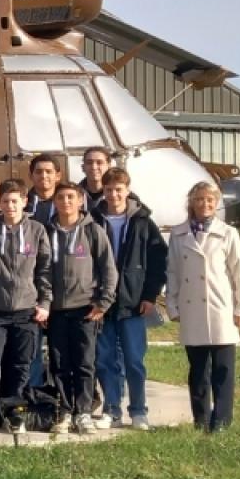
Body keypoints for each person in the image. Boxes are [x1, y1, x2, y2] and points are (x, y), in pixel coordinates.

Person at [165, 181, 240, 433]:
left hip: (221, 308)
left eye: (210, 200)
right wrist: (172, 305)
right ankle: (200, 421)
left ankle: (222, 422)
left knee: (223, 370)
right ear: (192, 202)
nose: (205, 204)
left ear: (216, 204)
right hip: (192, 310)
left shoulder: (228, 233)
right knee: (199, 370)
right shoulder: (178, 234)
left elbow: (239, 274)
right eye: (200, 199)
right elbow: (172, 272)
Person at [0, 180, 50, 438]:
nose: (10, 206)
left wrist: (45, 302)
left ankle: (13, 410)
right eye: (5, 201)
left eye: (15, 201)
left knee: (20, 364)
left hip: (27, 311)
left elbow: (45, 270)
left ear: (25, 202)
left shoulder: (37, 230)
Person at [93, 168, 166, 430]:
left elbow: (159, 260)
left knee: (134, 360)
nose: (113, 194)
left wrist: (150, 295)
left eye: (118, 189)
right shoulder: (93, 219)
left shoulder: (142, 221)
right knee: (104, 359)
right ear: (103, 190)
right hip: (101, 304)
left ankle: (138, 411)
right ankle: (111, 409)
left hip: (133, 303)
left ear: (127, 189)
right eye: (109, 189)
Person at [44, 181, 117, 433]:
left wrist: (104, 302)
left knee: (85, 364)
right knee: (59, 364)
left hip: (86, 308)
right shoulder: (47, 231)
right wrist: (44, 304)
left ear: (80, 201)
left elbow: (109, 269)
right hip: (55, 310)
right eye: (61, 197)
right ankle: (64, 411)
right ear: (55, 202)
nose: (66, 202)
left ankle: (83, 412)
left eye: (70, 197)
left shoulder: (93, 231)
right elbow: (40, 270)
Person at [26, 154, 61, 225]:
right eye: (38, 172)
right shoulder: (23, 203)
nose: (43, 176)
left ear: (58, 176)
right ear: (30, 176)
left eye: (48, 172)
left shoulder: (66, 203)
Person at [78, 148, 111, 214]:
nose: (94, 167)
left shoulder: (123, 196)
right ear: (83, 167)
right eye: (89, 163)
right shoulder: (73, 195)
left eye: (99, 162)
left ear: (109, 167)